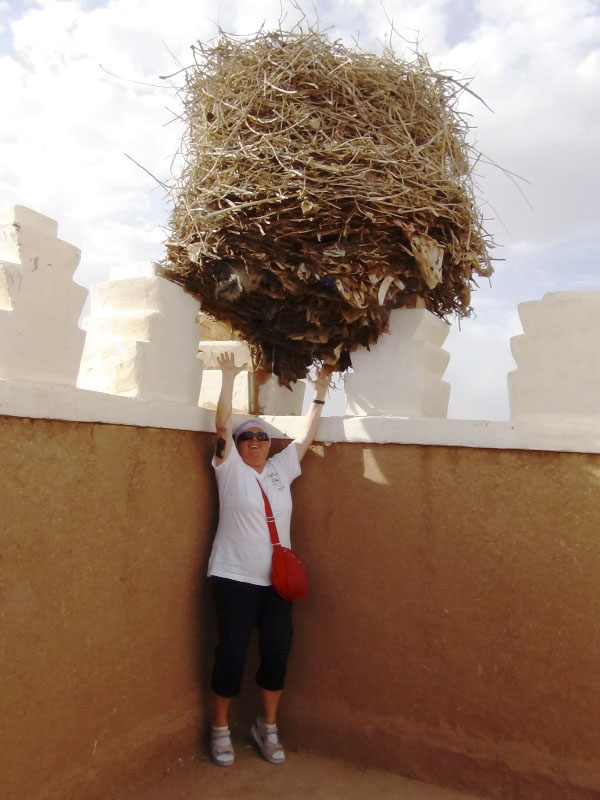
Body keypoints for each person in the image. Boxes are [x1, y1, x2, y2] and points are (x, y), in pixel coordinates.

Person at [208, 351, 331, 767]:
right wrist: (228, 376)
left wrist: (319, 396)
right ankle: (220, 729)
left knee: (277, 653)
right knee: (231, 653)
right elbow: (222, 422)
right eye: (247, 437)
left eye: (261, 436)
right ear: (237, 445)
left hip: (276, 583)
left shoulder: (281, 469)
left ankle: (268, 727)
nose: (255, 441)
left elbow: (306, 438)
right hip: (233, 577)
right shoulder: (229, 469)